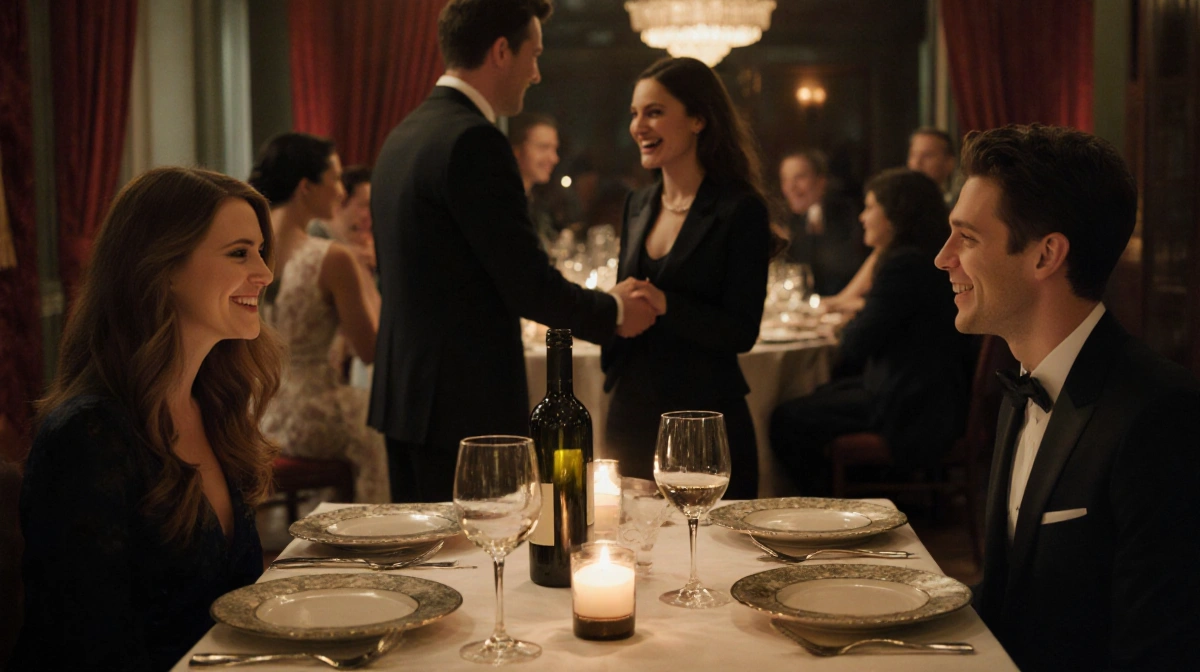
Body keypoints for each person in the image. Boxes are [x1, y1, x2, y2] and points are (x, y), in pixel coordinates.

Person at [369, 0, 659, 503]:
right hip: (463, 405)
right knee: (480, 565)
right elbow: (527, 283)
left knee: (428, 567)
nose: (537, 73)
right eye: (534, 54)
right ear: (501, 51)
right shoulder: (474, 141)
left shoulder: (404, 134)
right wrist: (612, 310)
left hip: (406, 396)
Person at [937, 124, 1200, 671]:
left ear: (1045, 256)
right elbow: (1008, 598)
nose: (944, 259)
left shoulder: (1159, 416)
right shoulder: (1024, 383)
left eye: (967, 238)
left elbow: (1156, 650)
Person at [12, 167, 282, 670]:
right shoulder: (89, 436)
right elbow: (87, 648)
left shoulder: (216, 407)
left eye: (261, 252)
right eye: (239, 253)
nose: (265, 274)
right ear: (162, 269)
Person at [602, 56, 773, 499]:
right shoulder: (637, 203)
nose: (638, 126)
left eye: (654, 112)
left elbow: (741, 330)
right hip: (631, 412)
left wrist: (666, 305)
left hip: (704, 418)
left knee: (716, 559)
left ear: (698, 119)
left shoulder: (740, 209)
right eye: (634, 114)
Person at [770, 168, 971, 495]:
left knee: (787, 418)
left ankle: (830, 503)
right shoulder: (921, 259)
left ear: (894, 216)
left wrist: (854, 318)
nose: (863, 217)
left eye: (870, 206)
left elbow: (855, 343)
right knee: (820, 394)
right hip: (928, 391)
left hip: (912, 405)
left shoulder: (904, 265)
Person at [250, 133, 389, 503]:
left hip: (258, 414)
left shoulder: (248, 250)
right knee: (380, 423)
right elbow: (371, 349)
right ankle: (372, 532)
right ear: (306, 187)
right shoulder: (330, 258)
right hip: (309, 415)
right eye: (336, 179)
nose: (342, 191)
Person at [776, 149, 864, 296]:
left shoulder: (850, 214)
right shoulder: (787, 222)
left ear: (821, 181)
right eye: (785, 179)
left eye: (799, 177)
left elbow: (845, 266)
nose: (791, 187)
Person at [508, 113, 568, 245]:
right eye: (543, 147)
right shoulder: (502, 207)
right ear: (515, 150)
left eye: (554, 149)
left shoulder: (535, 203)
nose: (554, 158)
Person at [309, 165, 376, 275]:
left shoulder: (368, 240)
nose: (370, 214)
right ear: (341, 202)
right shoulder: (315, 233)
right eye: (364, 205)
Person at [907, 127, 958, 207]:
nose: (917, 162)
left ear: (949, 163)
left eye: (927, 155)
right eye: (914, 155)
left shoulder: (955, 208)